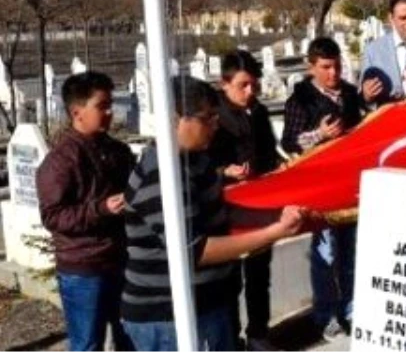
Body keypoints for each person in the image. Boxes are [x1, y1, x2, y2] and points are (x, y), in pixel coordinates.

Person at [122, 77, 305, 352]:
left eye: (215, 117)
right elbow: (197, 250)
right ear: (175, 118)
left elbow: (220, 212)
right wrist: (274, 232)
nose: (215, 125)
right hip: (168, 315)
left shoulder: (197, 161)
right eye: (207, 118)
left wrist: (273, 217)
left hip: (209, 302)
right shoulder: (162, 175)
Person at [36, 71, 135, 352]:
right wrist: (100, 209)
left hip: (120, 257)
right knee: (87, 344)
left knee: (129, 336)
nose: (109, 112)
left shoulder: (117, 151)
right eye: (102, 106)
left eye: (110, 105)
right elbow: (53, 216)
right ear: (77, 112)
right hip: (84, 268)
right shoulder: (60, 162)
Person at [282, 38, 365, 341]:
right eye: (326, 67)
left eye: (337, 66)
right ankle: (325, 313)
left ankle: (351, 307)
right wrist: (320, 135)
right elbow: (289, 142)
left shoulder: (351, 95)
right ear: (312, 66)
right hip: (320, 186)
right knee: (325, 253)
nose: (333, 73)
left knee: (350, 250)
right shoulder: (300, 99)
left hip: (351, 184)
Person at [209, 50, 282, 350]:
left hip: (259, 204)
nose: (250, 92)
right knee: (229, 281)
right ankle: (230, 337)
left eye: (254, 85)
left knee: (259, 274)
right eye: (243, 85)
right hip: (226, 209)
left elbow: (268, 153)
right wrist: (223, 171)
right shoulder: (213, 117)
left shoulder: (260, 112)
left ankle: (258, 334)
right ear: (224, 84)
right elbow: (197, 162)